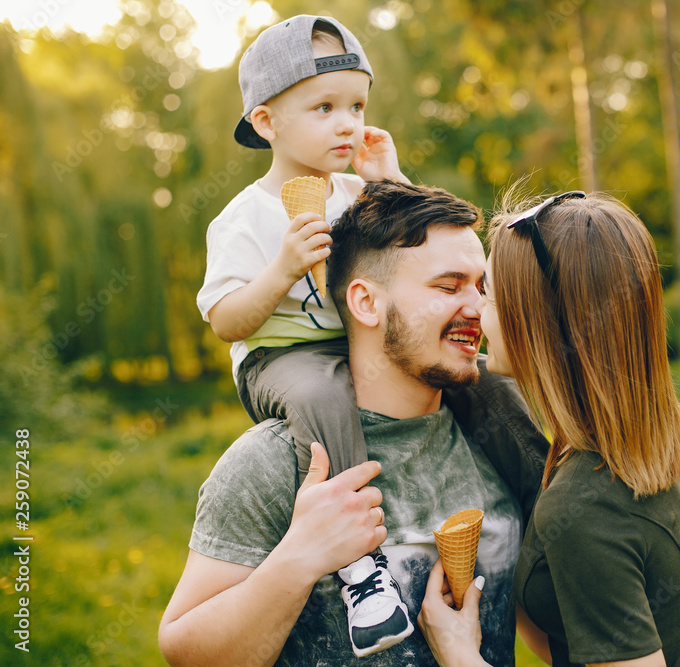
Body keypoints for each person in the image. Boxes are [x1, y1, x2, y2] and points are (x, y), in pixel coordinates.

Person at [192, 14, 519, 654]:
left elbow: (419, 253)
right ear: (265, 122)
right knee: (322, 396)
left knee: (487, 389)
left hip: (354, 351)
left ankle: (551, 494)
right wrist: (283, 266)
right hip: (282, 358)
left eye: (356, 105)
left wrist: (390, 179)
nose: (347, 122)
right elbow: (226, 321)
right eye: (323, 107)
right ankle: (361, 571)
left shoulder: (353, 192)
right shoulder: (245, 218)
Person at [161, 181, 549, 666]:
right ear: (366, 302)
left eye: (481, 287)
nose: (476, 308)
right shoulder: (277, 463)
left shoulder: (499, 442)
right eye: (448, 287)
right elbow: (188, 655)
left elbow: (547, 633)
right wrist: (299, 558)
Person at [418, 191, 680, 667]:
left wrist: (458, 654)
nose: (474, 309)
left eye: (488, 293)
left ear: (539, 324)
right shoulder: (640, 446)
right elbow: (578, 623)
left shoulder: (587, 510)